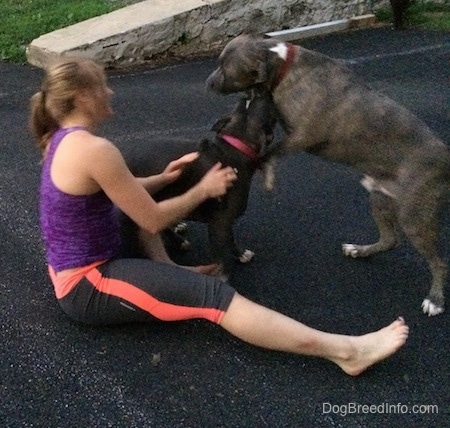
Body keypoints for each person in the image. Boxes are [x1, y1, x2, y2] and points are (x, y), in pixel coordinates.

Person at [30, 57, 409, 377]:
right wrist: (202, 190)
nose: (109, 93)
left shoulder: (61, 140)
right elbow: (155, 221)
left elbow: (120, 190)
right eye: (102, 86)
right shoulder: (95, 149)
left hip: (80, 259)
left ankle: (169, 272)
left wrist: (164, 177)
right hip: (89, 284)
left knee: (135, 206)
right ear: (82, 97)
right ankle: (346, 353)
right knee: (216, 299)